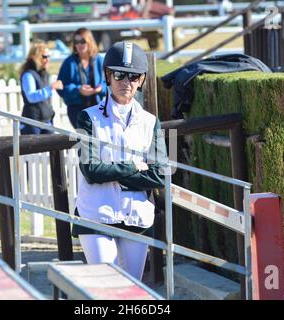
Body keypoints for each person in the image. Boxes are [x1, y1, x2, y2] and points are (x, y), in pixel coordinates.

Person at [73, 42, 167, 281]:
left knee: (132, 288)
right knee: (107, 286)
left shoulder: (150, 121)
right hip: (96, 212)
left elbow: (159, 174)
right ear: (108, 76)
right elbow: (91, 169)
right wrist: (133, 167)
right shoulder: (88, 118)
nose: (127, 82)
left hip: (136, 213)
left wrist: (113, 172)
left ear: (142, 80)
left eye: (134, 76)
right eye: (119, 75)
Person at [57, 28, 106, 128]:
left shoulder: (99, 61)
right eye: (76, 42)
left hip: (98, 109)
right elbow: (61, 87)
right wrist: (78, 90)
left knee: (97, 139)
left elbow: (110, 84)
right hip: (77, 110)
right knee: (85, 139)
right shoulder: (69, 63)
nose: (79, 44)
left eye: (82, 41)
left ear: (89, 42)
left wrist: (101, 89)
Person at [20, 42, 63, 134]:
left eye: (48, 56)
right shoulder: (28, 75)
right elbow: (31, 97)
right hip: (31, 123)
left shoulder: (44, 74)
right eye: (44, 57)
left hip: (46, 121)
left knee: (55, 147)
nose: (47, 59)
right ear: (33, 57)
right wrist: (50, 88)